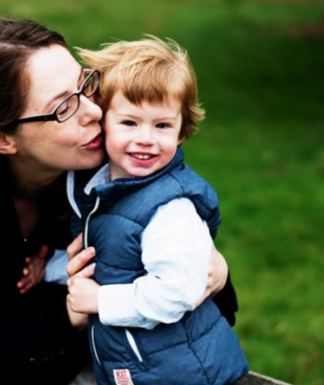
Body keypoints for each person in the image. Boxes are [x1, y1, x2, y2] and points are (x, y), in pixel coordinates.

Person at [0, 16, 236, 385]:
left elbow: (207, 301)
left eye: (84, 85)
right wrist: (73, 311)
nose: (95, 111)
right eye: (64, 106)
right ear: (2, 138)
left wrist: (220, 274)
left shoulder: (115, 172)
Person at [66, 36, 249, 385]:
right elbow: (110, 259)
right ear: (102, 122)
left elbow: (177, 293)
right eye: (130, 123)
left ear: (182, 131)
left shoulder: (170, 209)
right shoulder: (105, 192)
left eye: (162, 125)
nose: (146, 138)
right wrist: (52, 271)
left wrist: (100, 299)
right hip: (145, 369)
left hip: (182, 373)